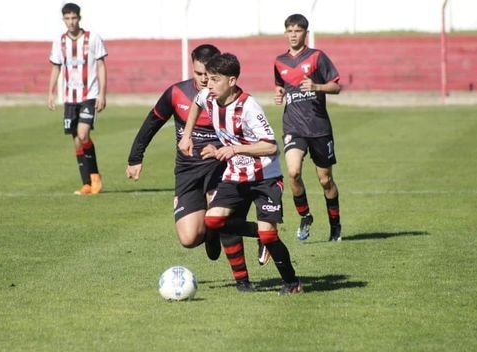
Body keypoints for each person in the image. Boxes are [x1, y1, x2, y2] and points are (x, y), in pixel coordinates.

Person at [126, 45, 269, 283]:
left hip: (221, 169)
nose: (204, 79)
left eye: (208, 74)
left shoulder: (229, 99)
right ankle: (227, 232)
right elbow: (152, 122)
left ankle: (245, 273)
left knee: (218, 216)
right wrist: (135, 157)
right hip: (187, 171)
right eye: (199, 73)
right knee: (189, 238)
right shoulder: (177, 93)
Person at [179, 53, 302, 295]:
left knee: (269, 236)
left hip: (265, 178)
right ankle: (255, 248)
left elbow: (271, 146)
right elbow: (197, 102)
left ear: (232, 80)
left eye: (215, 79)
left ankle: (292, 283)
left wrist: (234, 149)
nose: (208, 84)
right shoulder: (209, 96)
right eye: (207, 79)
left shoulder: (249, 107)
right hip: (235, 175)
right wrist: (186, 135)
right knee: (213, 220)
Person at [274, 13, 342, 241]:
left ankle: (335, 225)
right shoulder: (279, 62)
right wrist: (280, 93)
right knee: (293, 172)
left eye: (298, 31)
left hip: (319, 127)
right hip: (293, 127)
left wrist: (317, 86)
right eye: (290, 31)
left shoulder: (317, 57)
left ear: (306, 34)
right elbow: (280, 85)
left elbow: (336, 87)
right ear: (285, 33)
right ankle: (305, 216)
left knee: (325, 180)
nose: (293, 35)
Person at [48, 2, 107, 195]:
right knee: (76, 141)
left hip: (89, 95)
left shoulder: (93, 38)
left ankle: (96, 176)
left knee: (83, 135)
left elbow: (100, 65)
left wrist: (102, 93)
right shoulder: (60, 42)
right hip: (69, 98)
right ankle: (86, 184)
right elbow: (56, 67)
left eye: (74, 18)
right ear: (63, 19)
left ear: (79, 18)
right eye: (67, 18)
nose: (71, 22)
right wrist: (51, 93)